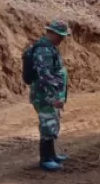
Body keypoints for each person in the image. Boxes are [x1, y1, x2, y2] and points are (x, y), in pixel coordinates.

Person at [27, 20, 70, 172]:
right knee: (47, 126)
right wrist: (53, 97)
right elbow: (45, 76)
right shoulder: (43, 51)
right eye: (59, 35)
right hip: (45, 96)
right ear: (50, 33)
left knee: (52, 125)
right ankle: (45, 160)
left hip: (49, 96)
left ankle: (51, 155)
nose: (61, 39)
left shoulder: (50, 48)